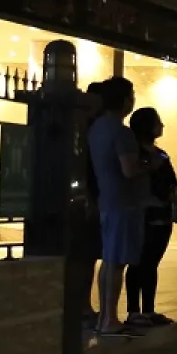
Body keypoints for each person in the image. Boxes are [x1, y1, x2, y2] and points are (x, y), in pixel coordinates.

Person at [87, 76, 151, 339]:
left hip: (106, 201)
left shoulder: (96, 128)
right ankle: (110, 319)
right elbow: (129, 169)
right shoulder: (121, 132)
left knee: (109, 262)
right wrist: (150, 166)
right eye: (131, 95)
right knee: (117, 264)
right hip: (123, 204)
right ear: (125, 99)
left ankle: (104, 318)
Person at [124, 107, 177, 328]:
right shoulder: (137, 156)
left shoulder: (160, 155)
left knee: (151, 264)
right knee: (137, 263)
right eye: (157, 122)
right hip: (143, 214)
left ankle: (149, 310)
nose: (162, 126)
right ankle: (134, 311)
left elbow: (172, 182)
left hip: (162, 214)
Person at [79, 80, 110, 330]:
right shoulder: (85, 130)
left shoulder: (91, 128)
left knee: (89, 256)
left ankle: (84, 305)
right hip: (87, 200)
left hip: (94, 198)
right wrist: (88, 196)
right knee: (85, 256)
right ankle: (82, 305)